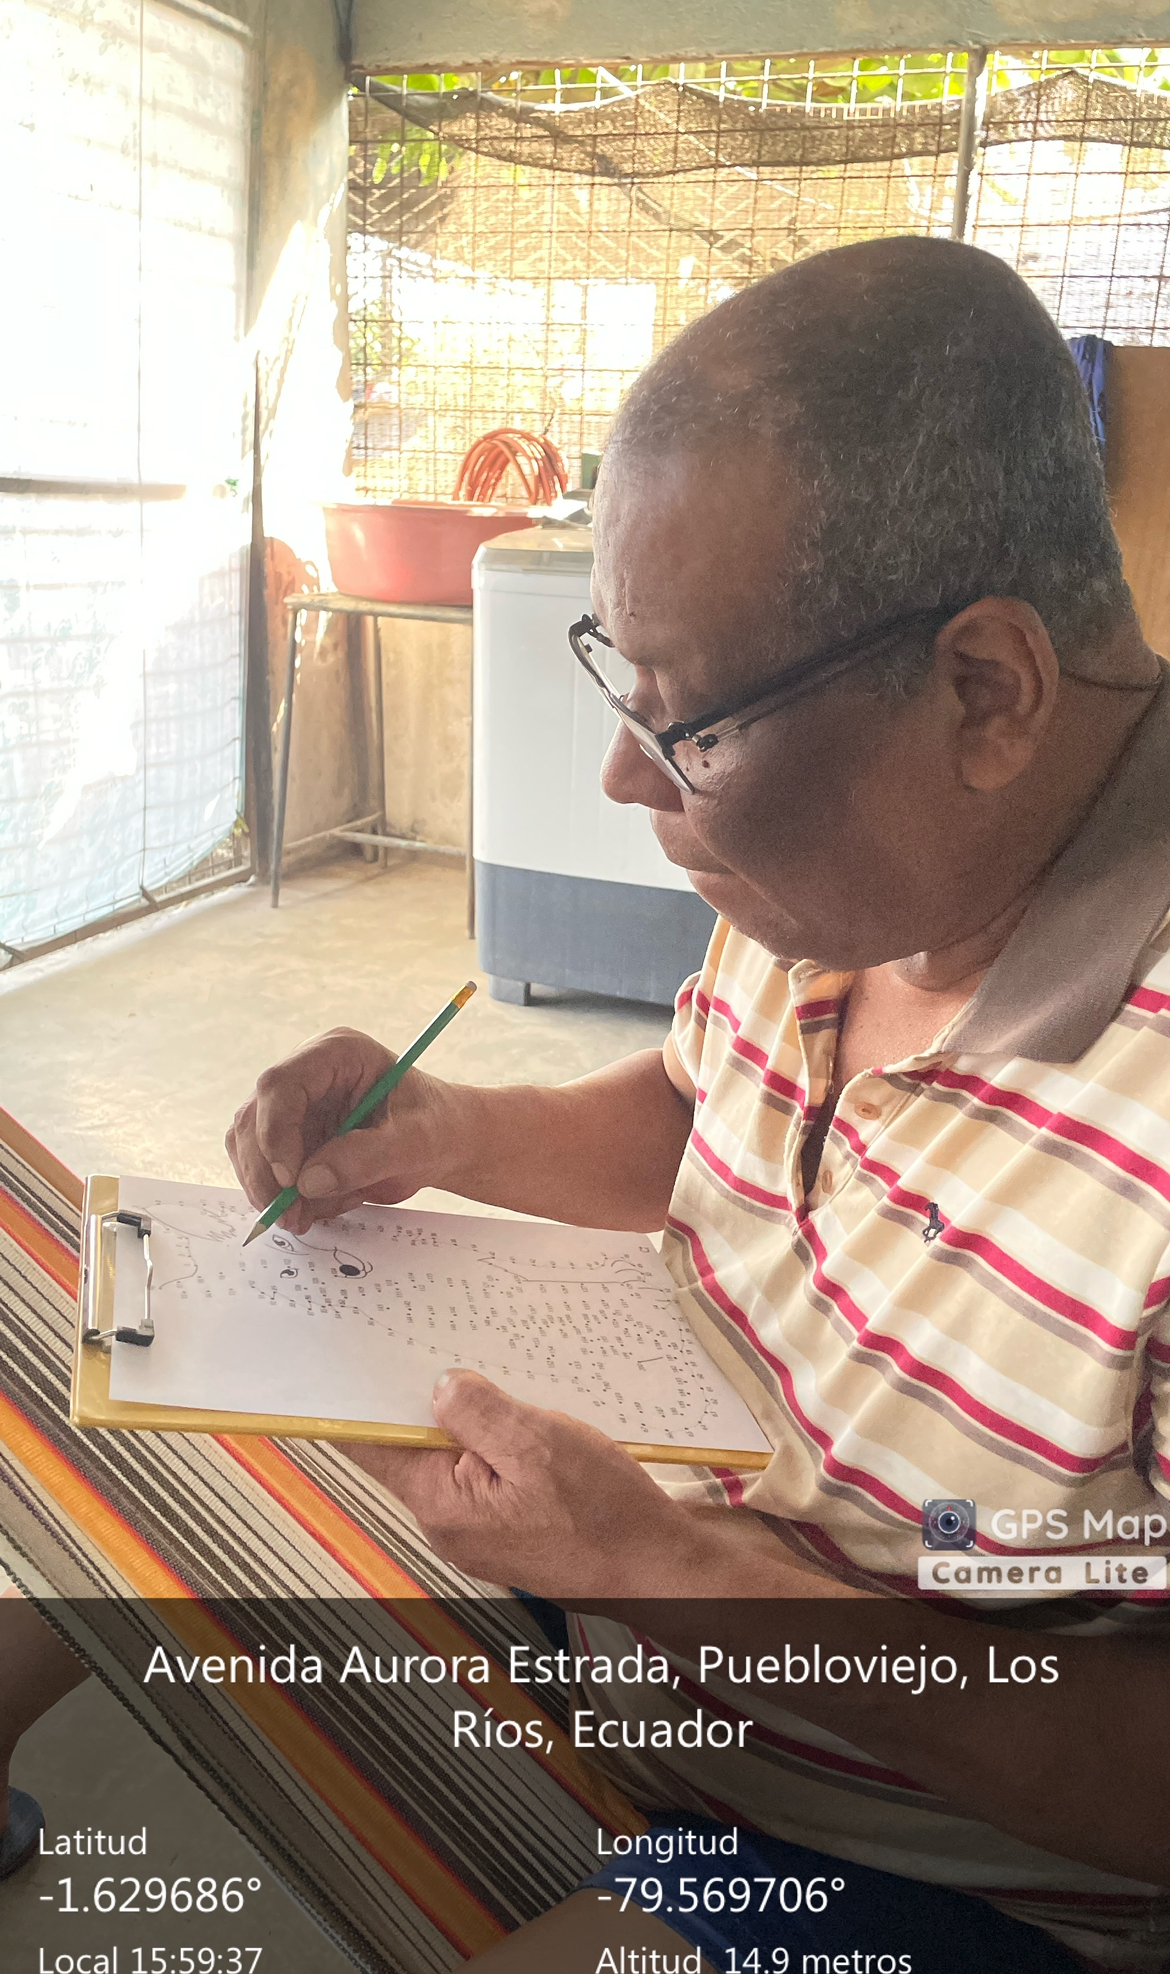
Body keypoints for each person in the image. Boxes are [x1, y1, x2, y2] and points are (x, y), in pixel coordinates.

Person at [226, 238, 1170, 1971]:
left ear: (983, 688)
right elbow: (701, 1114)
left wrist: (676, 1579)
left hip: (930, 1864)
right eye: (623, 683)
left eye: (686, 724)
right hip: (644, 1621)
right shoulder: (846, 873)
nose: (621, 771)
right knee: (156, 1393)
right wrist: (452, 1127)